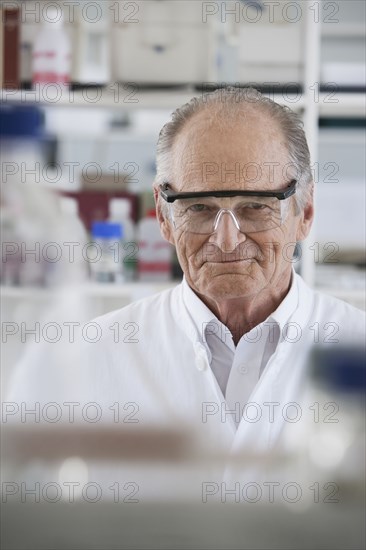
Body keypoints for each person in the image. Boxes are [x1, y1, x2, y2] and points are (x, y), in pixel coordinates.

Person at [6, 87, 365, 497]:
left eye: (256, 206)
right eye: (199, 208)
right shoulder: (76, 360)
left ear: (306, 212)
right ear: (163, 215)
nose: (227, 240)